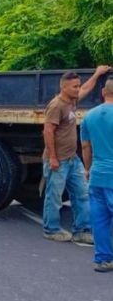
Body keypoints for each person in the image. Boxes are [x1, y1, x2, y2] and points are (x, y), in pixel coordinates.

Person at [42, 66, 110, 243]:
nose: (78, 89)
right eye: (74, 86)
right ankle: (51, 229)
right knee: (54, 196)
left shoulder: (71, 101)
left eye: (78, 85)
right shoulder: (56, 105)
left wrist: (97, 74)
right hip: (58, 160)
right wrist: (53, 158)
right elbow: (48, 131)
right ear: (63, 87)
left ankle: (81, 230)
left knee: (82, 194)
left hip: (73, 159)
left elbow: (86, 88)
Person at [81, 78, 113, 272]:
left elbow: (85, 146)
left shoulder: (89, 116)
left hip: (98, 175)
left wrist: (87, 168)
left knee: (100, 220)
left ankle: (103, 259)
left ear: (103, 92)